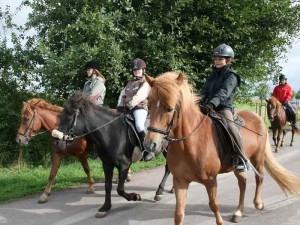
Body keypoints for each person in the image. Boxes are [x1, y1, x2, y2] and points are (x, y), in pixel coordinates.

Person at [199, 44, 248, 172]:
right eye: (216, 59)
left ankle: (241, 157)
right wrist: (195, 101)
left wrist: (212, 103)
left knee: (230, 127)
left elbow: (224, 93)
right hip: (209, 107)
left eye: (220, 59)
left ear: (228, 60)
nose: (217, 61)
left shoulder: (232, 76)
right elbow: (204, 90)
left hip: (223, 108)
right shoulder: (213, 74)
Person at [116, 58, 154, 161]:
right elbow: (122, 94)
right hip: (126, 109)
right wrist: (119, 105)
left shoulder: (145, 82)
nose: (136, 71)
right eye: (134, 70)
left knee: (139, 125)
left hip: (139, 108)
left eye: (138, 70)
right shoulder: (129, 82)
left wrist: (129, 105)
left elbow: (139, 96)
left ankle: (148, 149)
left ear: (143, 70)